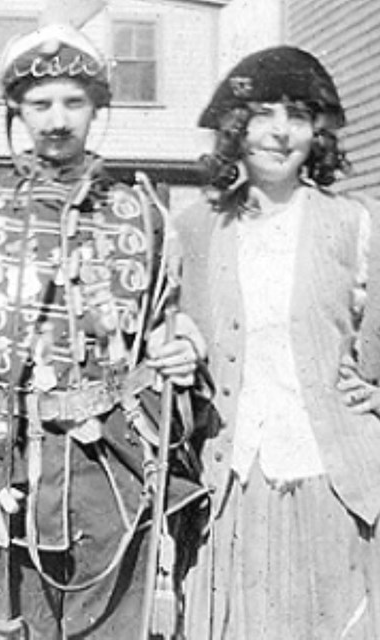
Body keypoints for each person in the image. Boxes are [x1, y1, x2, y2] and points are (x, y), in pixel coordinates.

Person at [0, 21, 209, 640]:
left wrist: (178, 361)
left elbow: (164, 337)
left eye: (73, 102)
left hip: (114, 481)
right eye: (40, 104)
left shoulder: (143, 212)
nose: (57, 120)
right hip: (9, 478)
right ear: (18, 113)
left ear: (97, 109)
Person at [176, 45, 380, 639]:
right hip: (235, 480)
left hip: (333, 481)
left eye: (297, 114)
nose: (279, 131)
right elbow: (175, 335)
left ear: (317, 131)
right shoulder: (197, 227)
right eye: (263, 114)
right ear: (237, 128)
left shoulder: (357, 224)